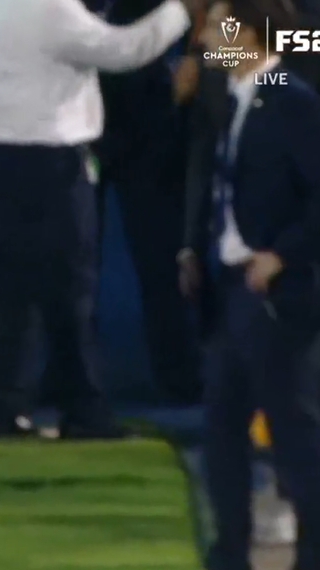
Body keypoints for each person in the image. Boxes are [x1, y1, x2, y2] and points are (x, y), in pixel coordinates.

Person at [149, 0, 320, 570]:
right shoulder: (240, 93)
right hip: (231, 285)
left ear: (245, 32)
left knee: (299, 427)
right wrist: (199, 246)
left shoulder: (290, 85)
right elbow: (216, 169)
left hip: (280, 293)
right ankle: (230, 568)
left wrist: (284, 255)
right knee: (222, 426)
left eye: (216, 27)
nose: (203, 37)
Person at [0, 0, 196, 439]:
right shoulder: (50, 8)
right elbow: (126, 51)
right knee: (69, 286)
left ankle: (4, 410)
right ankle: (83, 410)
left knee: (14, 286)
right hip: (51, 158)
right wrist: (181, 11)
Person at [93, 0, 201, 404]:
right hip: (74, 120)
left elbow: (214, 14)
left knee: (161, 261)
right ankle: (70, 382)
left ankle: (180, 377)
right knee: (68, 266)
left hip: (151, 123)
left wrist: (200, 60)